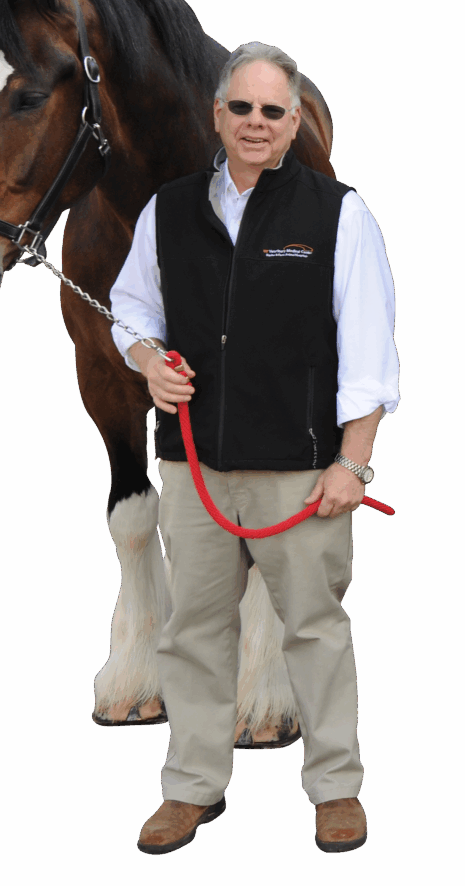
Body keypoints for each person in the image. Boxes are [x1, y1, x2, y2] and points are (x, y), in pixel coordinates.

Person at [109, 43, 399, 854]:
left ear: (294, 120)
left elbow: (371, 351)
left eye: (273, 111)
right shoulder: (167, 209)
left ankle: (335, 787)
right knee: (192, 632)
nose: (255, 124)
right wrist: (145, 360)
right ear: (217, 115)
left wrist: (353, 460)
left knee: (315, 630)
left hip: (302, 474)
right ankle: (191, 788)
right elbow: (129, 307)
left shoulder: (338, 213)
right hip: (191, 467)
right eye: (240, 108)